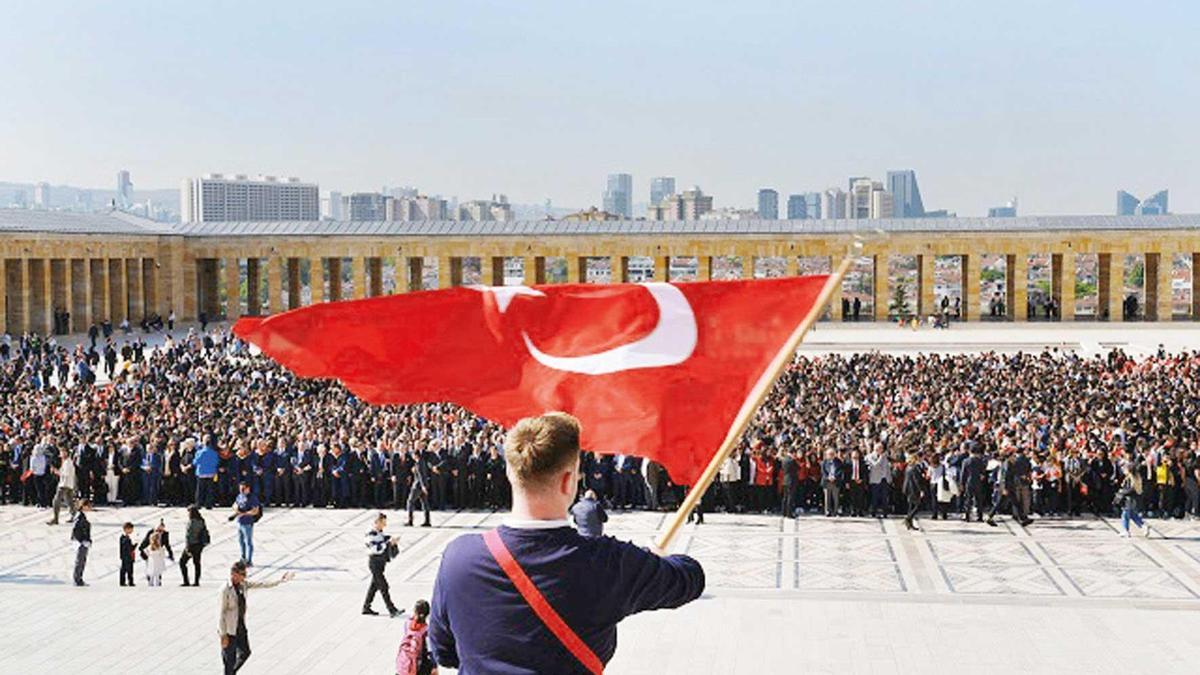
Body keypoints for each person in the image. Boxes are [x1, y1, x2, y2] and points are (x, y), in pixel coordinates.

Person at [428, 412, 705, 673]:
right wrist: (652, 560)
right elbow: (690, 578)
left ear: (511, 473)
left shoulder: (458, 557)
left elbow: (444, 651)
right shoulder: (606, 563)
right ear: (568, 481)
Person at [218, 560, 295, 674]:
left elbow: (261, 584)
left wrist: (280, 580)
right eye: (242, 574)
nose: (245, 577)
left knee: (245, 652)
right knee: (229, 660)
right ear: (234, 574)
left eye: (245, 574)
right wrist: (223, 635)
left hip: (240, 627)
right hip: (230, 630)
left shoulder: (242, 584)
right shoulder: (225, 589)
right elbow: (221, 613)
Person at [363, 512, 404, 618]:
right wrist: (388, 543)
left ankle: (366, 607)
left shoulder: (379, 532)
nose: (384, 525)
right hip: (374, 562)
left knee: (374, 586)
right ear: (377, 522)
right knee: (383, 586)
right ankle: (392, 609)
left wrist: (392, 540)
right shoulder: (370, 533)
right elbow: (375, 548)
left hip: (381, 562)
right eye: (383, 523)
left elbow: (383, 539)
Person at [396, 599, 437, 675]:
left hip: (404, 663)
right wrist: (435, 666)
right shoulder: (427, 630)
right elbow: (430, 651)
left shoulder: (407, 623)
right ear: (428, 614)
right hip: (419, 666)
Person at [231, 482, 260, 566]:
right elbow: (235, 504)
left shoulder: (252, 498)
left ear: (248, 488)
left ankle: (249, 560)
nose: (241, 490)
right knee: (240, 540)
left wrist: (245, 513)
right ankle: (243, 557)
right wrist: (236, 509)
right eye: (240, 488)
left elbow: (255, 510)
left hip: (247, 522)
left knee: (248, 541)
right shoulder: (240, 496)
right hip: (239, 521)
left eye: (243, 488)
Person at [181, 505, 211, 586]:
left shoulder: (191, 522)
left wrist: (187, 547)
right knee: (197, 563)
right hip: (199, 545)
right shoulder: (201, 521)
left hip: (192, 545)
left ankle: (186, 581)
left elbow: (189, 536)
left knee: (182, 562)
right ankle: (196, 581)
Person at [48, 448, 78, 525]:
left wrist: (57, 472)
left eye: (62, 452)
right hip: (67, 483)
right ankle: (74, 515)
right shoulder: (65, 462)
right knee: (69, 501)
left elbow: (66, 473)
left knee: (56, 500)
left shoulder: (68, 462)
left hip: (64, 484)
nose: (61, 454)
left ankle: (55, 518)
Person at [406, 446, 432, 528]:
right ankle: (427, 520)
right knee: (424, 502)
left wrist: (423, 485)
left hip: (418, 485)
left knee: (410, 501)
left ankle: (410, 520)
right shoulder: (421, 462)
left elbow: (421, 475)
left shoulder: (419, 463)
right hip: (422, 485)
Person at [70, 499, 92, 586]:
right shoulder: (79, 516)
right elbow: (76, 530)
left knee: (82, 560)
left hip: (83, 541)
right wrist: (81, 541)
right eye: (88, 506)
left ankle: (79, 578)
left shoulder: (82, 516)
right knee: (80, 561)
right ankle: (77, 579)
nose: (90, 508)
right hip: (81, 542)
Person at [902, 454, 923, 531]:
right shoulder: (914, 468)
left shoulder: (908, 467)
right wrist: (921, 490)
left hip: (908, 489)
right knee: (918, 505)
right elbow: (916, 480)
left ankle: (909, 524)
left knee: (910, 506)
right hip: (913, 489)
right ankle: (908, 518)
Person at [119, 522, 137, 586]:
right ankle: (126, 582)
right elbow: (128, 548)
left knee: (128, 569)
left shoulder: (125, 537)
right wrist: (134, 545)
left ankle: (128, 581)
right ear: (126, 529)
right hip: (127, 556)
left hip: (127, 556)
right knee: (126, 569)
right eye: (131, 529)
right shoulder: (124, 538)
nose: (132, 531)